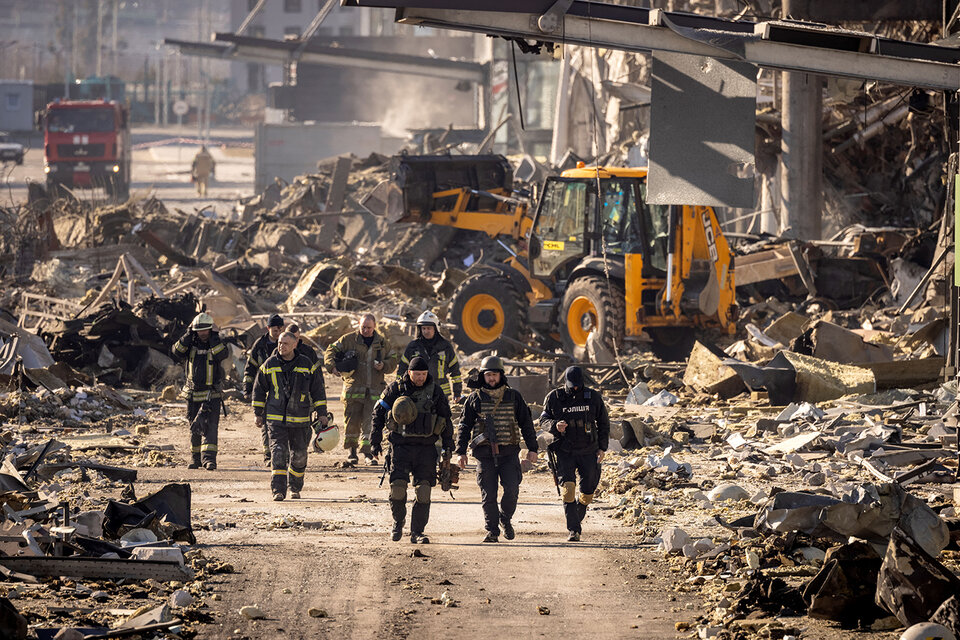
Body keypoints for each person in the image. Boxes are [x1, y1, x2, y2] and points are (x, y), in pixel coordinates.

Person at [456, 356, 539, 543]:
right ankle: (492, 530)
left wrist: (532, 449)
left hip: (509, 453)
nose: (491, 379)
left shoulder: (513, 396)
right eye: (488, 375)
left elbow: (526, 425)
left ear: (501, 375)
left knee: (511, 489)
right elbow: (464, 426)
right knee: (488, 494)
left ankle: (505, 518)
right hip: (484, 455)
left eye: (494, 375)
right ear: (483, 376)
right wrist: (460, 452)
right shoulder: (474, 399)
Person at [371, 356, 453, 543]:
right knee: (397, 490)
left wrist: (449, 445)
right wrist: (374, 441)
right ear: (409, 373)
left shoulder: (435, 391)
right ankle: (398, 522)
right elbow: (378, 413)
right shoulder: (396, 389)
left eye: (423, 374)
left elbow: (445, 419)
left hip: (426, 449)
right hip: (401, 447)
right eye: (417, 374)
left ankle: (417, 532)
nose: (420, 378)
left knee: (423, 492)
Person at [252, 331, 327, 501]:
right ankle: (278, 490)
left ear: (295, 345)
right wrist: (258, 413)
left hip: (300, 419)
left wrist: (322, 413)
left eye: (285, 343)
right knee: (278, 453)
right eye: (279, 343)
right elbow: (258, 390)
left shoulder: (306, 364)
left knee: (299, 456)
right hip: (275, 419)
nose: (281, 346)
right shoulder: (269, 364)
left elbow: (317, 390)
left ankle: (294, 486)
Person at [539, 366, 609, 541]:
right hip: (565, 450)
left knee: (587, 493)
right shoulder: (554, 397)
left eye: (578, 385)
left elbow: (603, 423)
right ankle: (574, 530)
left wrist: (603, 448)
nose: (575, 388)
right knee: (568, 490)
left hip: (589, 450)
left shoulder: (593, 397)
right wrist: (554, 426)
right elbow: (543, 420)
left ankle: (576, 517)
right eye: (572, 385)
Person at [324, 314, 398, 464]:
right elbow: (330, 351)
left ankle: (368, 454)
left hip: (374, 391)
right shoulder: (348, 339)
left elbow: (393, 359)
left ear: (374, 327)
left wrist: (384, 365)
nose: (365, 330)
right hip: (353, 390)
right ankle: (352, 452)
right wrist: (332, 367)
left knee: (370, 422)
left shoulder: (383, 343)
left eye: (369, 327)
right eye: (363, 327)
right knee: (351, 422)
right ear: (359, 324)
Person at [171, 313, 229, 470]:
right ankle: (195, 459)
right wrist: (188, 334)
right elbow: (176, 351)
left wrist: (214, 337)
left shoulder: (216, 342)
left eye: (205, 330)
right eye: (199, 330)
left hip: (212, 393)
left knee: (211, 426)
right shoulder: (190, 342)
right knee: (194, 426)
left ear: (210, 330)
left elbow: (222, 354)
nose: (202, 333)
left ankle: (209, 460)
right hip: (192, 393)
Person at [244, 314, 285, 463]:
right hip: (264, 390)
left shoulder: (286, 342)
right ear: (268, 328)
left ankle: (282, 454)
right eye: (275, 329)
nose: (278, 331)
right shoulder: (259, 345)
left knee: (283, 425)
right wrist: (248, 389)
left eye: (281, 328)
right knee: (266, 424)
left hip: (282, 392)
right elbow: (250, 369)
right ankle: (269, 456)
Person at [397, 310, 463, 403]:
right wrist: (399, 388)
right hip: (417, 393)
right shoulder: (413, 347)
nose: (426, 331)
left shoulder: (445, 347)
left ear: (435, 328)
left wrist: (457, 393)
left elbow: (455, 371)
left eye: (429, 328)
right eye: (423, 328)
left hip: (441, 393)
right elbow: (402, 369)